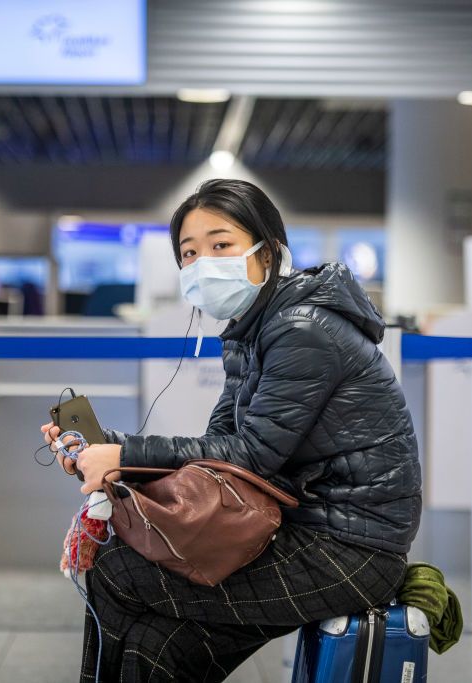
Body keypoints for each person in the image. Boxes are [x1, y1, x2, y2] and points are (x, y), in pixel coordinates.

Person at [41, 179, 421, 682]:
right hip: (299, 525)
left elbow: (251, 455)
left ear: (269, 252)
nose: (203, 264)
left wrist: (123, 451)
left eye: (221, 246)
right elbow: (219, 449)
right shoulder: (252, 330)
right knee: (157, 644)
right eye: (189, 253)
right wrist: (110, 450)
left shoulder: (300, 329)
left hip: (348, 547)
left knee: (118, 568)